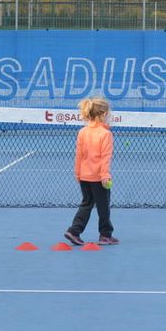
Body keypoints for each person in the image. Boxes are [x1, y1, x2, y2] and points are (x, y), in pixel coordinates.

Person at [64, 97, 119, 246]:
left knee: (86, 204)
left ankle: (74, 231)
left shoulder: (83, 132)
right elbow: (105, 158)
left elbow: (79, 155)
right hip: (99, 178)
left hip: (83, 176)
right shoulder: (105, 134)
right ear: (103, 114)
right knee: (103, 206)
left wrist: (77, 173)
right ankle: (105, 235)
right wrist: (105, 175)